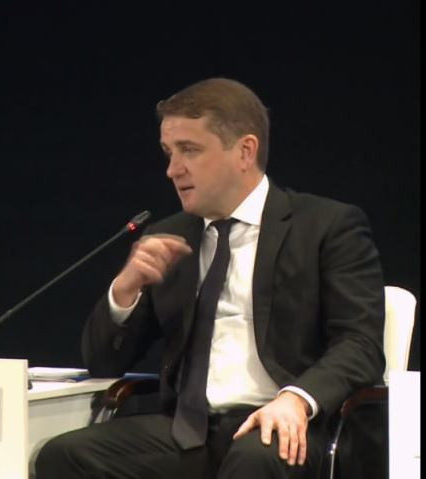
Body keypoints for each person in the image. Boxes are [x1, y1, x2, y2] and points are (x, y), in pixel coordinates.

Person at [34, 78, 385, 478]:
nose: (172, 169)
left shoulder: (326, 226)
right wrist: (125, 290)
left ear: (245, 151)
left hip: (284, 425)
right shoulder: (170, 237)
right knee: (62, 456)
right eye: (169, 152)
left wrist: (297, 399)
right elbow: (104, 362)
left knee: (254, 460)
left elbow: (360, 344)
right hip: (189, 431)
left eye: (189, 150)